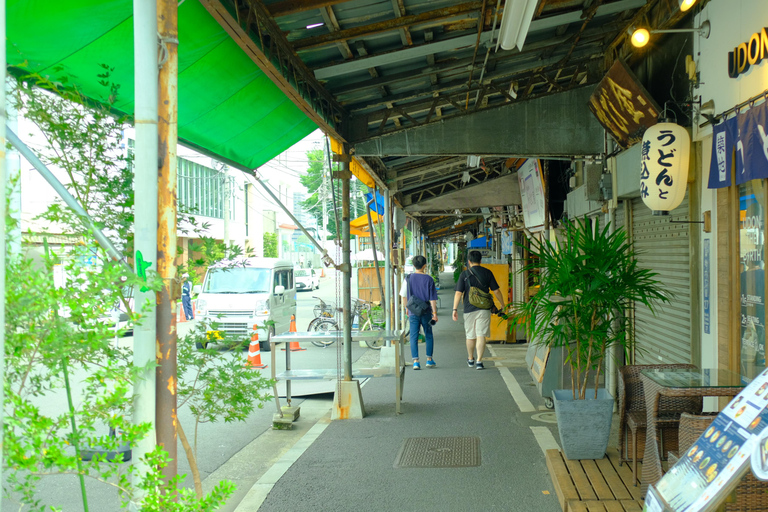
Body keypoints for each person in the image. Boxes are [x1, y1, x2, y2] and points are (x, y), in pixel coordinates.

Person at [452, 250, 505, 370]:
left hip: (469, 309)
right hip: (484, 309)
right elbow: (496, 290)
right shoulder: (487, 272)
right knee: (481, 335)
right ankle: (479, 361)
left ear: (469, 261)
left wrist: (454, 309)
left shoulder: (464, 275)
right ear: (480, 261)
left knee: (470, 335)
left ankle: (470, 359)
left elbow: (458, 293)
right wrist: (502, 304)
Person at [399, 255, 438, 370]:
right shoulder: (429, 279)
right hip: (426, 311)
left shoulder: (408, 278)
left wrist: (407, 308)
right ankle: (429, 360)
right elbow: (432, 299)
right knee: (429, 334)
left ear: (414, 265)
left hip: (413, 312)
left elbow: (403, 295)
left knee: (414, 336)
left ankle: (416, 361)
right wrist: (434, 313)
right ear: (424, 266)